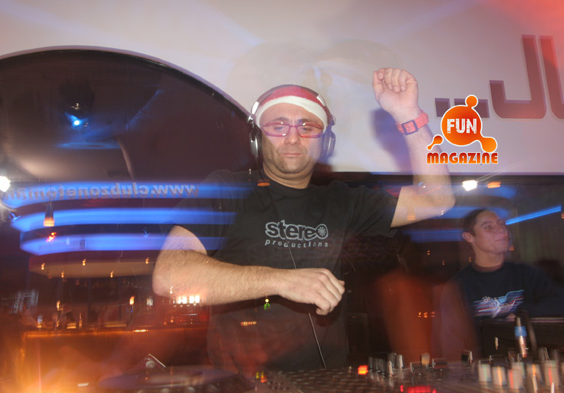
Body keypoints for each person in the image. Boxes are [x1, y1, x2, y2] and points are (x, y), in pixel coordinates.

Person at [152, 68, 454, 373]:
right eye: (278, 126)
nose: (293, 137)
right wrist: (282, 281)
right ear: (257, 139)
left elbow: (436, 200)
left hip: (326, 384)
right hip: (244, 386)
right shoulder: (226, 190)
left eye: (307, 127)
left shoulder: (342, 200)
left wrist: (409, 117)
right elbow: (169, 276)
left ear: (325, 143)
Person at [436, 208, 564, 360]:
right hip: (483, 370)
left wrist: (523, 313)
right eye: (488, 227)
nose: (501, 230)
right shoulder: (459, 286)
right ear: (469, 237)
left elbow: (559, 301)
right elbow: (450, 344)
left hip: (531, 366)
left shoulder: (527, 274)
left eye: (502, 224)